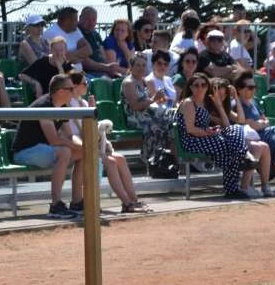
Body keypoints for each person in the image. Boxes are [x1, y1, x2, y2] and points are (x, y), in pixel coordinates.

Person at [68, 72, 148, 213]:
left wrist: (92, 111)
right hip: (77, 146)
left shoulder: (84, 102)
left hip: (90, 144)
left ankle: (134, 200)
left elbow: (92, 129)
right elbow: (75, 133)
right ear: (74, 86)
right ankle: (127, 203)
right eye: (84, 83)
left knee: (121, 159)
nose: (87, 86)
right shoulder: (68, 105)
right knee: (110, 162)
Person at [10, 74, 84, 217]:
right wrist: (76, 146)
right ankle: (55, 205)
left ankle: (76, 201)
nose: (74, 91)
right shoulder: (44, 105)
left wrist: (83, 146)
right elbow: (54, 141)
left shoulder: (62, 106)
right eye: (71, 88)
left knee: (83, 153)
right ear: (61, 91)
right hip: (24, 152)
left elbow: (70, 136)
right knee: (64, 152)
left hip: (42, 151)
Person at [176, 73, 249, 198]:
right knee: (228, 147)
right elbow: (191, 129)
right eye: (196, 85)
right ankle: (233, 185)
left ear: (207, 87)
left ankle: (239, 160)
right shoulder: (189, 103)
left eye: (203, 85)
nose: (200, 88)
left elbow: (234, 123)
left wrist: (211, 129)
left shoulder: (203, 104)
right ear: (191, 87)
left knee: (236, 128)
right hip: (191, 141)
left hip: (205, 137)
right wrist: (207, 132)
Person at [231, 72, 275, 197]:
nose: (253, 90)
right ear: (239, 89)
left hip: (262, 136)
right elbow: (247, 124)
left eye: (254, 87)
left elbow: (265, 120)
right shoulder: (235, 104)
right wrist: (259, 124)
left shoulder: (254, 102)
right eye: (250, 87)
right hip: (248, 139)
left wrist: (259, 123)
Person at [122, 53, 175, 164]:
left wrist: (161, 99)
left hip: (147, 113)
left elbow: (152, 101)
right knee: (155, 125)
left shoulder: (144, 81)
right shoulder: (128, 83)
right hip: (134, 116)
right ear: (131, 67)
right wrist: (154, 99)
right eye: (137, 65)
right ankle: (149, 159)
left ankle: (165, 158)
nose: (141, 68)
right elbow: (135, 106)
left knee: (170, 122)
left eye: (143, 65)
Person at [42, 7, 90, 72]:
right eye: (75, 19)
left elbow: (89, 50)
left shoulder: (76, 30)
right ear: (67, 21)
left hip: (79, 74)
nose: (77, 22)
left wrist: (71, 56)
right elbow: (58, 59)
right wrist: (80, 56)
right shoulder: (51, 33)